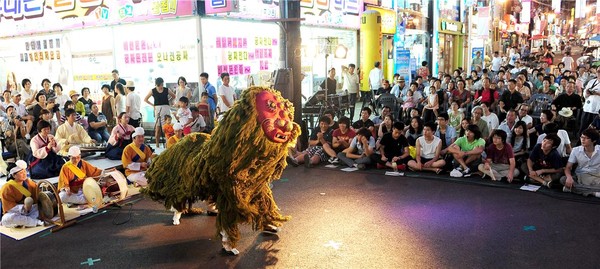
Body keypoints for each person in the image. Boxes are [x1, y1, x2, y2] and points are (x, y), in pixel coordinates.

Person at [0, 160, 45, 228]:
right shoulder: (6, 188)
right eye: (21, 172)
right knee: (8, 218)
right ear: (14, 175)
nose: (24, 174)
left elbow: (37, 195)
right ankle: (35, 222)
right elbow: (9, 207)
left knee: (39, 207)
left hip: (29, 211)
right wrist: (24, 208)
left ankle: (26, 222)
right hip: (15, 213)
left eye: (25, 171)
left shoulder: (28, 182)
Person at [561, 129, 600, 197]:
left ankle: (577, 190)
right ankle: (593, 193)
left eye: (586, 138)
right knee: (563, 179)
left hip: (596, 176)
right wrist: (569, 177)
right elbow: (568, 167)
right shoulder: (576, 150)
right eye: (582, 137)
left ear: (594, 140)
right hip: (580, 176)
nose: (583, 140)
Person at [145, 77, 175, 148]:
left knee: (167, 127)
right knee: (158, 128)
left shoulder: (166, 89)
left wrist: (168, 101)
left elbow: (174, 96)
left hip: (166, 108)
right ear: (156, 84)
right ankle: (157, 144)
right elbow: (145, 99)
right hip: (158, 109)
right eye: (159, 85)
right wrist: (153, 105)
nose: (161, 86)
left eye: (162, 84)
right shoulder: (153, 90)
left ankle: (167, 143)